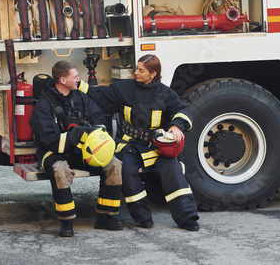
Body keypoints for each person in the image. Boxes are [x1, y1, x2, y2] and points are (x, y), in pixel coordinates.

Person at [79, 54, 199, 231]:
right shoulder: (124, 88)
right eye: (136, 69)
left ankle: (187, 218)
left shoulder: (166, 93)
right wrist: (77, 84)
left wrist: (177, 126)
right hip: (128, 146)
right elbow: (99, 94)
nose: (136, 73)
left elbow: (182, 110)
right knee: (126, 171)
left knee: (173, 170)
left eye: (141, 70)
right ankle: (143, 217)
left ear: (153, 74)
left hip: (156, 147)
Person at [29, 60, 124, 237]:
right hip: (53, 152)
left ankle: (106, 217)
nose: (79, 80)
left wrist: (94, 133)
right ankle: (66, 222)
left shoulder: (80, 96)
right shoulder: (44, 105)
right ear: (62, 80)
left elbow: (100, 119)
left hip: (81, 151)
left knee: (114, 164)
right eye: (75, 77)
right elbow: (49, 140)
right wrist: (76, 136)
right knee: (60, 170)